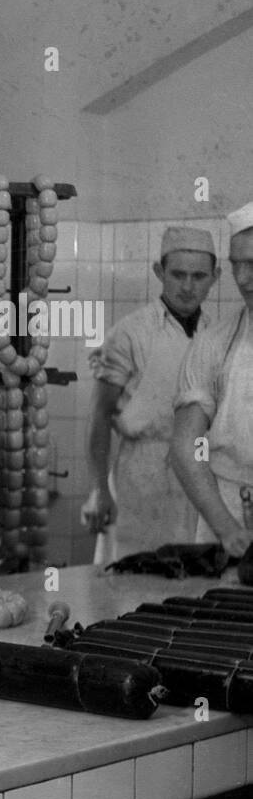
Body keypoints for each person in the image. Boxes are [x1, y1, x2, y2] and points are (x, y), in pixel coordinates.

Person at [83, 226, 219, 562]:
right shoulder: (129, 333)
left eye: (199, 276)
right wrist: (100, 490)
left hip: (198, 478)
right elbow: (99, 417)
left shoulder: (217, 335)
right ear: (159, 272)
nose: (188, 287)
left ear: (215, 277)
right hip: (139, 481)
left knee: (192, 588)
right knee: (131, 586)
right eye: (178, 275)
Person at [171, 202, 253, 558]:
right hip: (229, 511)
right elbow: (187, 444)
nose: (244, 279)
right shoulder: (214, 342)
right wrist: (228, 529)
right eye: (238, 265)